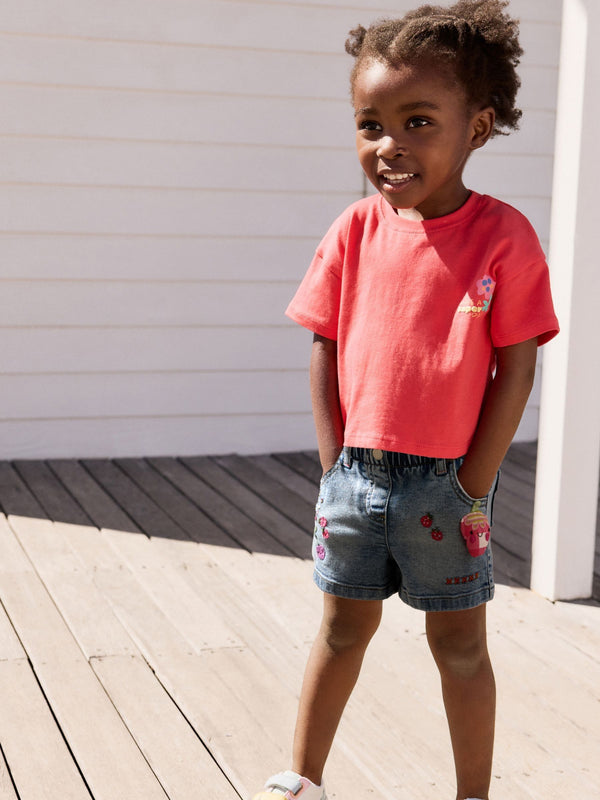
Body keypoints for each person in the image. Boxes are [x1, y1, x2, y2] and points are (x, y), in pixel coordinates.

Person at [252, 1, 559, 798]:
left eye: (417, 121)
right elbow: (324, 347)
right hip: (354, 477)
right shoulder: (352, 230)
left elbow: (516, 369)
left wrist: (472, 483)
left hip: (447, 487)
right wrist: (334, 467)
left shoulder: (504, 238)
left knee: (459, 647)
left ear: (477, 128)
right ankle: (304, 778)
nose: (388, 145)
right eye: (371, 124)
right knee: (340, 629)